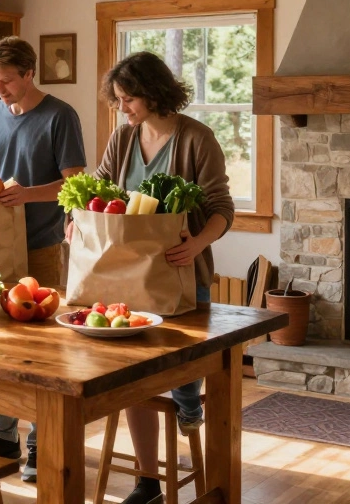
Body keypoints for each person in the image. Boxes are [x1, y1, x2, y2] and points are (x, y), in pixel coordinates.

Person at [93, 51, 235, 504]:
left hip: (180, 274)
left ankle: (188, 396)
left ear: (154, 93)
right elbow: (99, 189)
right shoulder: (122, 137)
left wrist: (196, 245)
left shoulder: (197, 139)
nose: (122, 108)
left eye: (128, 98)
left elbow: (220, 208)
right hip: (126, 278)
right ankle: (146, 482)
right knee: (133, 379)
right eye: (117, 100)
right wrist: (79, 218)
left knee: (182, 374)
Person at [0, 36, 86, 482]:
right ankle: (4, 436)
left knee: (41, 352)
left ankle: (41, 443)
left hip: (39, 243)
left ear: (29, 73)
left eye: (6, 82)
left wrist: (28, 194)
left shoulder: (60, 115)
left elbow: (74, 184)